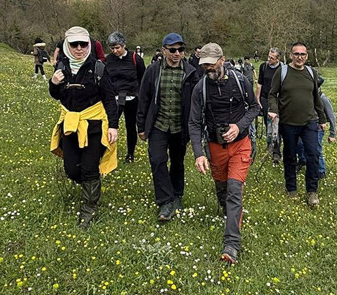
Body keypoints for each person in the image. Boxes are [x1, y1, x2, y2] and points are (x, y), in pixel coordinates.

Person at [188, 43, 260, 264]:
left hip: (241, 144)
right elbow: (194, 122)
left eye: (211, 64)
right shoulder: (200, 88)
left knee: (234, 190)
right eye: (204, 65)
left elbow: (255, 108)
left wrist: (239, 126)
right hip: (215, 146)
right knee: (222, 188)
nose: (208, 68)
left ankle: (231, 245)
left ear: (222, 60)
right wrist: (199, 154)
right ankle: (226, 209)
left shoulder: (241, 81)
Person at [48, 26, 119, 230]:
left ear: (89, 45)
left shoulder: (98, 68)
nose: (79, 48)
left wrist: (113, 126)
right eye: (74, 44)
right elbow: (57, 95)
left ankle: (89, 208)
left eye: (83, 44)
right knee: (71, 169)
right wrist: (53, 83)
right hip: (70, 126)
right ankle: (90, 185)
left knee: (89, 167)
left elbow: (109, 99)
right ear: (67, 46)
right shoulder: (61, 66)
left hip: (94, 126)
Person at [137, 32, 201, 222]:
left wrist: (196, 128)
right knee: (157, 161)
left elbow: (197, 103)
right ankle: (165, 201)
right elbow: (144, 98)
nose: (177, 53)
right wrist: (141, 126)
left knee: (177, 162)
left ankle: (177, 195)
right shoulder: (153, 71)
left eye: (180, 50)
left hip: (180, 126)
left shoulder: (191, 72)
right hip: (158, 124)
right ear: (164, 51)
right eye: (172, 50)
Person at [268, 42, 328, 208]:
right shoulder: (282, 72)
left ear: (306, 56)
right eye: (296, 54)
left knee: (313, 155)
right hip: (288, 123)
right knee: (289, 156)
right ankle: (291, 188)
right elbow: (272, 94)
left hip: (309, 122)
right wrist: (273, 109)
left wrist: (322, 118)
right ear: (291, 55)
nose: (299, 57)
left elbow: (316, 97)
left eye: (302, 54)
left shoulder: (311, 73)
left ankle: (312, 191)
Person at [105, 31, 146, 163]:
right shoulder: (108, 60)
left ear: (124, 45)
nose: (115, 51)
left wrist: (139, 95)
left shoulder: (135, 58)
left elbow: (142, 78)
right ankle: (106, 153)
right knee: (110, 125)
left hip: (132, 98)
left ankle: (130, 154)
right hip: (114, 98)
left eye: (117, 48)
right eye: (112, 48)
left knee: (130, 126)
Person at [296, 75, 336, 178]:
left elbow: (331, 116)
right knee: (299, 144)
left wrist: (332, 134)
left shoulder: (323, 99)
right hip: (303, 125)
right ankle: (302, 160)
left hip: (318, 127)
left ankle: (321, 171)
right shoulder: (305, 96)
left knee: (316, 149)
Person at [256, 48, 283, 165]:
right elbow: (259, 84)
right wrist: (257, 99)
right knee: (268, 124)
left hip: (277, 100)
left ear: (278, 59)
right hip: (265, 98)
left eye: (272, 58)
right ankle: (269, 143)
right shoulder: (263, 67)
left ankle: (276, 152)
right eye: (268, 57)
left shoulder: (282, 69)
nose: (269, 59)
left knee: (276, 125)